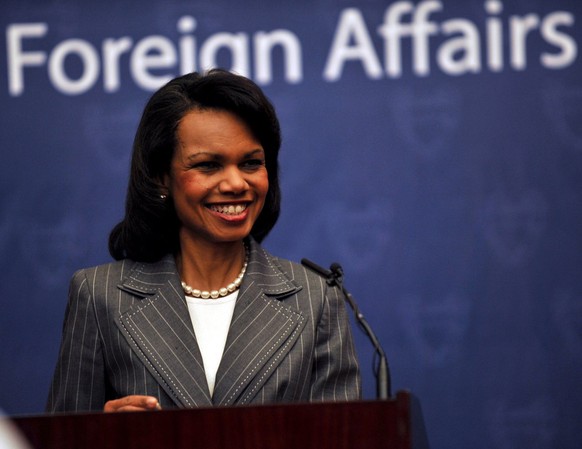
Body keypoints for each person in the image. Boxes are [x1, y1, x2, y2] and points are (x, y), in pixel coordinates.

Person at [46, 69, 361, 412]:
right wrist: (99, 440)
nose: (236, 183)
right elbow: (64, 435)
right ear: (161, 178)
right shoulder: (98, 295)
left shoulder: (317, 299)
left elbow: (341, 437)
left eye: (251, 163)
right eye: (209, 165)